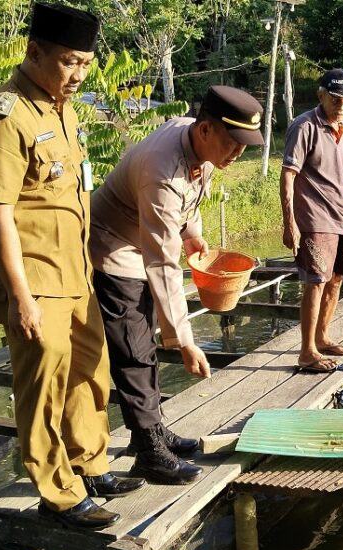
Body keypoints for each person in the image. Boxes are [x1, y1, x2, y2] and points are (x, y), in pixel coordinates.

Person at [0, 3, 145, 530]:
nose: (78, 76)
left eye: (86, 65)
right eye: (70, 63)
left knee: (92, 369)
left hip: (73, 272)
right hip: (32, 276)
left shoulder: (60, 107)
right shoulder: (6, 115)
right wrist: (19, 295)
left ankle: (90, 463)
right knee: (44, 380)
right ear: (34, 51)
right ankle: (57, 491)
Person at [89, 86, 264, 484]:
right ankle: (149, 452)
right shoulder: (161, 170)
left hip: (141, 242)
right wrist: (184, 339)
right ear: (204, 130)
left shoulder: (199, 148)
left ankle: (151, 432)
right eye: (233, 142)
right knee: (133, 348)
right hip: (113, 249)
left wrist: (192, 233)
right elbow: (162, 262)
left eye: (244, 145)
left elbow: (191, 200)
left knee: (143, 342)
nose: (237, 153)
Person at [280, 69, 343, 372]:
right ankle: (307, 351)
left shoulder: (342, 129)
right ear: (321, 95)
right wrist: (290, 223)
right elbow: (288, 175)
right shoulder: (304, 126)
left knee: (336, 278)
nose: (342, 105)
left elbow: (339, 181)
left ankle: (322, 337)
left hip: (340, 218)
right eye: (336, 98)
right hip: (314, 219)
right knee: (316, 281)